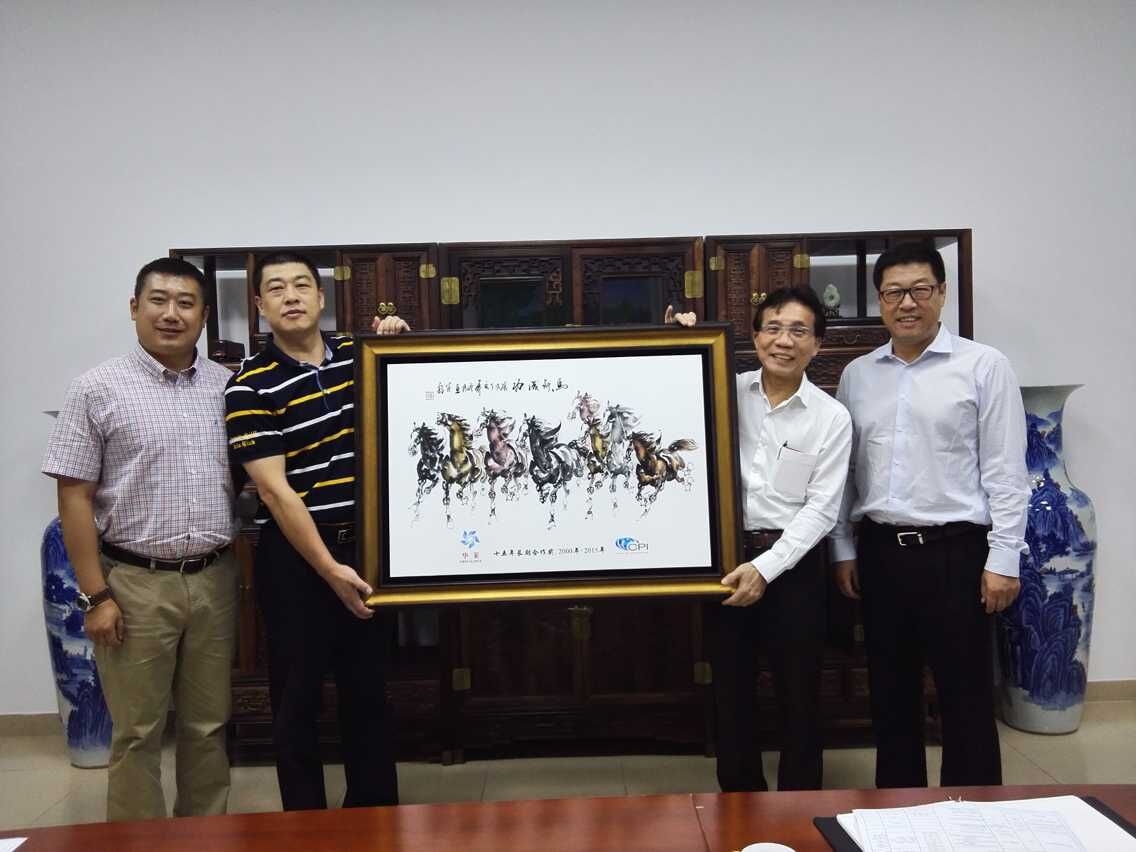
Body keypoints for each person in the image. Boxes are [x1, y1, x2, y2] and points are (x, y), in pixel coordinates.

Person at [42, 257, 238, 821]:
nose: (171, 313)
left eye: (186, 303)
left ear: (204, 315)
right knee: (137, 732)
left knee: (208, 726)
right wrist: (96, 596)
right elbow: (74, 497)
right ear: (134, 308)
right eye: (158, 300)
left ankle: (204, 834)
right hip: (133, 584)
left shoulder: (229, 387)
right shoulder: (96, 389)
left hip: (215, 578)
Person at [829, 241, 1028, 788]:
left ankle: (973, 817)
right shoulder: (858, 375)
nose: (907, 303)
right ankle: (898, 815)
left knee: (965, 697)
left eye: (920, 289)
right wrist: (843, 548)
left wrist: (1004, 559)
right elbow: (847, 472)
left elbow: (1006, 471)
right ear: (880, 300)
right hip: (880, 553)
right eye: (894, 292)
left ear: (942, 293)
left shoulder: (983, 366)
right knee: (889, 696)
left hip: (956, 554)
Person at [224, 252, 408, 811]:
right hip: (297, 558)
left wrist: (402, 344)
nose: (291, 296)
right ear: (260, 305)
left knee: (368, 693)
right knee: (296, 698)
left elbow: (414, 397)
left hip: (371, 548)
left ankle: (373, 819)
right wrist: (329, 569)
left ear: (321, 297)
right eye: (276, 288)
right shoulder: (248, 385)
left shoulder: (362, 354)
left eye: (302, 285)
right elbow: (274, 491)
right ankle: (305, 825)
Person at [668, 289, 852, 791]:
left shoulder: (831, 417)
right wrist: (679, 341)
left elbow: (822, 509)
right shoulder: (723, 389)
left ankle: (798, 806)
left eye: (798, 331)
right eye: (773, 328)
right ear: (754, 337)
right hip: (727, 562)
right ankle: (740, 804)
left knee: (800, 696)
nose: (783, 341)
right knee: (730, 694)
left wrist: (766, 568)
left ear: (817, 345)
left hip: (795, 569)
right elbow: (672, 400)